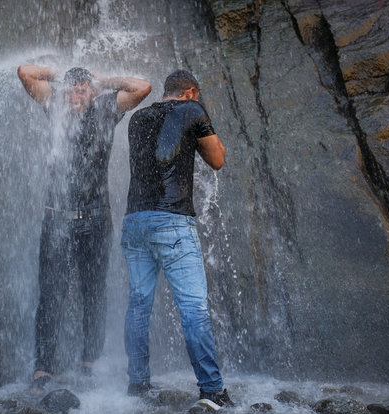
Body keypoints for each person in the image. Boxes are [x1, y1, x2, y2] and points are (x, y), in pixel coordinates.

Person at [17, 64, 151, 393]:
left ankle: (90, 364)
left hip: (96, 218)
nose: (77, 95)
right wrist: (60, 77)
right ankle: (43, 368)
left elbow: (142, 86)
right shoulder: (56, 108)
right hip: (57, 217)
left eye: (82, 90)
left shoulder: (106, 108)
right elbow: (25, 72)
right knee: (51, 294)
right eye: (72, 90)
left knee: (94, 293)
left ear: (91, 93)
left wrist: (104, 81)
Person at [121, 70, 233, 410]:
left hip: (134, 221)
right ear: (191, 93)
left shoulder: (138, 117)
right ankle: (212, 390)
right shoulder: (192, 110)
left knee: (139, 304)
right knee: (193, 307)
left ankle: (137, 383)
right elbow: (217, 160)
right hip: (172, 221)